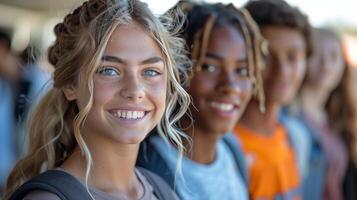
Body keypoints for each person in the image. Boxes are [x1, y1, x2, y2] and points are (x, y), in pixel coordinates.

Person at [3, 0, 191, 199]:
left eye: (151, 71)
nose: (135, 91)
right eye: (110, 71)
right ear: (70, 85)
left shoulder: (162, 191)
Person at [137, 1, 266, 199]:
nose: (230, 85)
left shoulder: (232, 151)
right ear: (176, 71)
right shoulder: (150, 170)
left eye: (242, 70)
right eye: (209, 67)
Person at [235, 0, 312, 199]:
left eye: (292, 57)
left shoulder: (297, 137)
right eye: (266, 56)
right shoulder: (224, 148)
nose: (282, 71)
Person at [299, 28, 352, 200]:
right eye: (317, 55)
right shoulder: (290, 118)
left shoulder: (338, 116)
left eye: (334, 57)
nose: (326, 65)